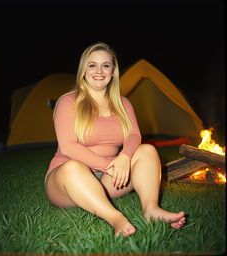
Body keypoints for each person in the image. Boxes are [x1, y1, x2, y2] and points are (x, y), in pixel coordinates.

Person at [44, 42, 186, 236]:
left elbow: (134, 135)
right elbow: (68, 147)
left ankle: (151, 209)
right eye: (92, 65)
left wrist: (125, 157)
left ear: (113, 71)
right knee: (73, 167)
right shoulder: (68, 101)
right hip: (67, 181)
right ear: (83, 70)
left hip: (108, 180)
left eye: (106, 65)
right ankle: (116, 219)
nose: (99, 71)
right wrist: (108, 165)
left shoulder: (123, 103)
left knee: (147, 150)